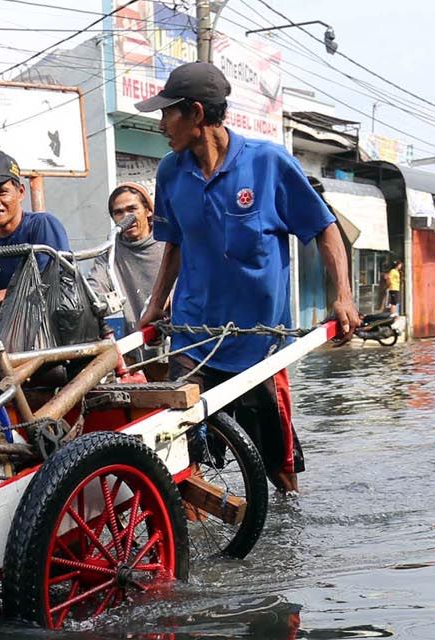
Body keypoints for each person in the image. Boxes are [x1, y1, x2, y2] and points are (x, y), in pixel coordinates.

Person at [134, 61, 360, 496]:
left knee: (279, 469)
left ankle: (288, 549)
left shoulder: (268, 163)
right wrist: (155, 303)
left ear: (197, 114)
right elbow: (174, 243)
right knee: (179, 456)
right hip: (193, 336)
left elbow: (324, 228)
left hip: (259, 343)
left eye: (168, 113)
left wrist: (344, 297)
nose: (161, 124)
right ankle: (195, 554)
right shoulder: (170, 171)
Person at [0, 149, 70, 305]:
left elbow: (50, 283)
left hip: (54, 326)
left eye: (2, 192)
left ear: (20, 193)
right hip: (9, 328)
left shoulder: (42, 225)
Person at [105, 183, 166, 331]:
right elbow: (97, 286)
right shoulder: (110, 252)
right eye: (119, 212)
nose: (127, 217)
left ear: (148, 211)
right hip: (133, 343)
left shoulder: (168, 246)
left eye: (132, 209)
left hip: (171, 334)